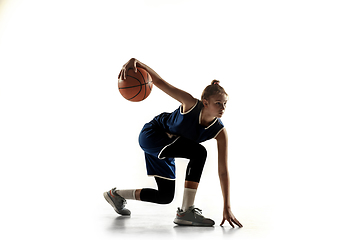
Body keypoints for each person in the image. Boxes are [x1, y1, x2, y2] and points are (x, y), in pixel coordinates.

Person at [104, 58, 242, 228]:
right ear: (205, 103)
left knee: (165, 196)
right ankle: (186, 211)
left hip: (168, 145)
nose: (223, 107)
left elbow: (223, 171)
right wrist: (136, 62)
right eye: (218, 103)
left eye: (225, 103)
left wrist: (227, 206)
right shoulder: (190, 104)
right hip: (153, 134)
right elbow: (161, 82)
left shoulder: (220, 132)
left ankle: (115, 195)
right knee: (199, 152)